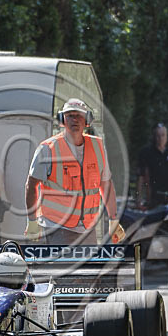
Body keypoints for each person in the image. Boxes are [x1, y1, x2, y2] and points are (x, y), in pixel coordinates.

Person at [24, 98, 125, 245]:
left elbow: (106, 185)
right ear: (62, 120)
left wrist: (113, 219)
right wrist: (32, 221)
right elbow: (31, 185)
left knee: (89, 261)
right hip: (57, 226)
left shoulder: (97, 147)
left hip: (87, 227)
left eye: (79, 115)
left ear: (87, 120)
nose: (75, 119)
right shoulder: (47, 149)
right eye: (70, 115)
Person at [136, 123, 168, 208]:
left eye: (163, 135)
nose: (160, 138)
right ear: (153, 136)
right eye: (158, 136)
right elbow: (141, 177)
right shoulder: (146, 153)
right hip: (153, 198)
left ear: (166, 136)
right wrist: (138, 198)